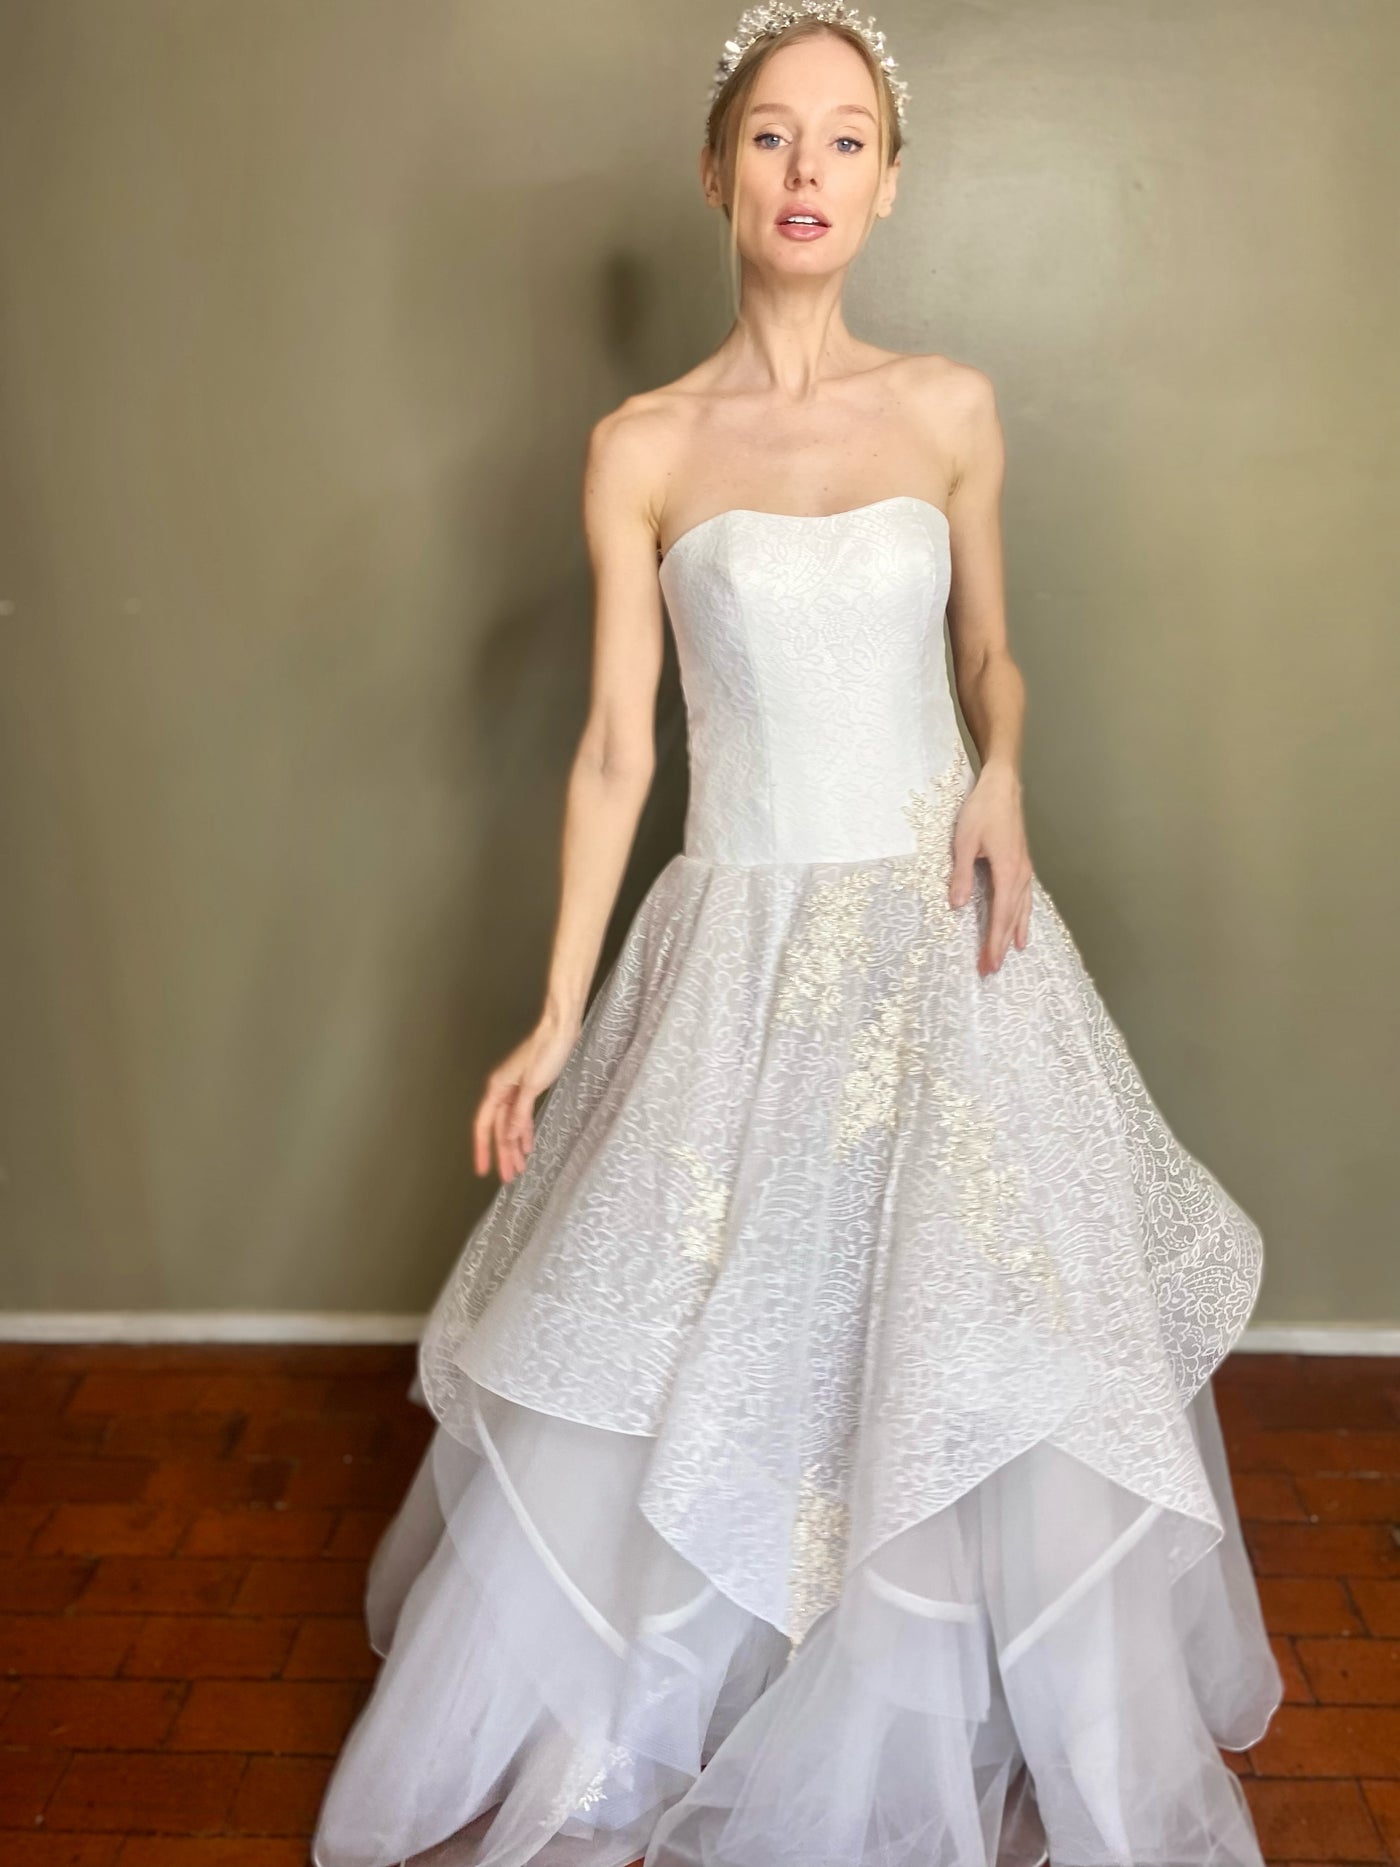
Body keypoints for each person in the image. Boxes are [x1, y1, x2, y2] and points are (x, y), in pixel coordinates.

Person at [311, 4, 1283, 1863]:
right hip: (742, 941)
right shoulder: (642, 446)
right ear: (717, 170)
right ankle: (718, 1693)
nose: (807, 168)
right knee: (721, 1334)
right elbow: (619, 748)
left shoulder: (949, 409)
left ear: (889, 182)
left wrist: (1005, 770)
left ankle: (941, 1703)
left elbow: (990, 652)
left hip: (940, 923)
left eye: (845, 138)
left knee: (968, 1327)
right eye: (773, 134)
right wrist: (557, 1010)